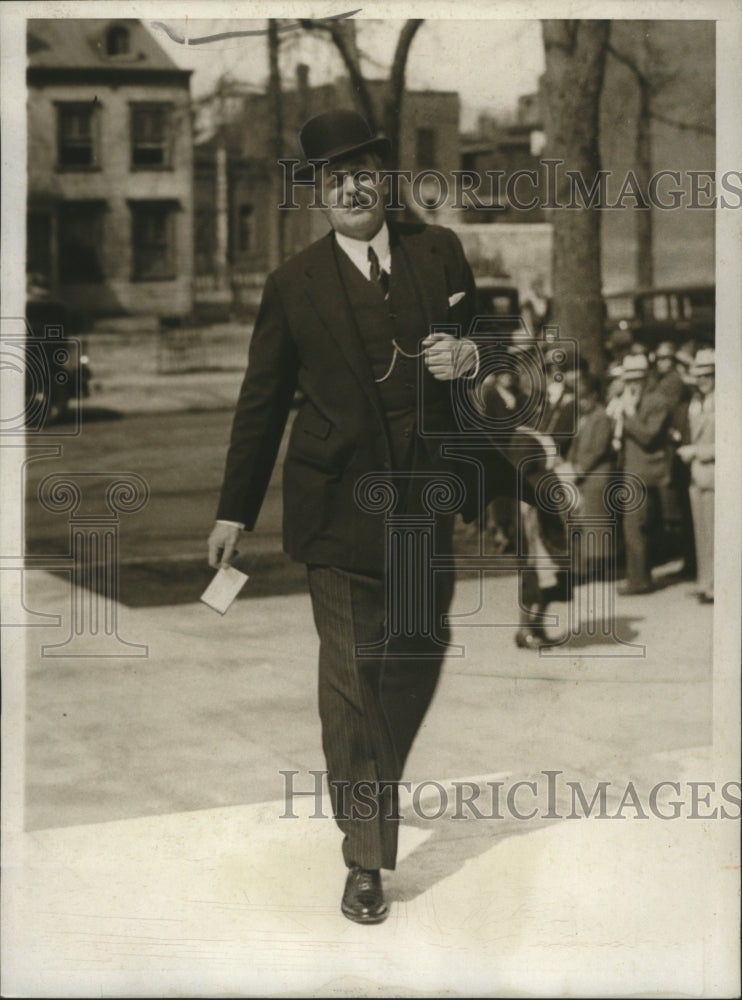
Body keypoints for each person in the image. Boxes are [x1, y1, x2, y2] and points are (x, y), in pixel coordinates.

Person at [207, 109, 501, 924]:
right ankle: (367, 857)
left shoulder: (437, 252)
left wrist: (472, 356)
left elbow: (492, 349)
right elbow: (261, 404)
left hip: (422, 511)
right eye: (334, 178)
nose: (352, 187)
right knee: (351, 677)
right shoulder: (292, 285)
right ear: (316, 192)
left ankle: (373, 785)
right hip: (334, 511)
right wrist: (235, 509)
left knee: (415, 652)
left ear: (385, 177)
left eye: (364, 171)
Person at [608, 353, 673, 595]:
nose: (632, 385)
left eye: (637, 380)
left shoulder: (657, 401)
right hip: (631, 469)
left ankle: (639, 581)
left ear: (647, 379)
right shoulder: (628, 401)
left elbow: (648, 436)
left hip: (645, 472)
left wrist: (627, 415)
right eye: (628, 380)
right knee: (634, 526)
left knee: (636, 526)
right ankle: (638, 577)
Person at [562, 371, 616, 579]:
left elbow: (599, 449)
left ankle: (601, 565)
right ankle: (583, 565)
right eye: (579, 399)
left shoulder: (601, 417)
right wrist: (570, 462)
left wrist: (581, 468)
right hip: (581, 475)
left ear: (594, 396)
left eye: (584, 398)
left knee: (597, 522)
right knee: (581, 521)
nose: (581, 403)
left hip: (597, 475)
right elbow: (575, 445)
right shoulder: (583, 418)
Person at [677, 349, 715, 603]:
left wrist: (696, 451)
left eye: (707, 375)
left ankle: (716, 584)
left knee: (715, 532)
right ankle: (706, 582)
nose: (702, 380)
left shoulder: (725, 401)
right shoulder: (696, 403)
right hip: (697, 476)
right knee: (701, 533)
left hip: (715, 473)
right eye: (698, 375)